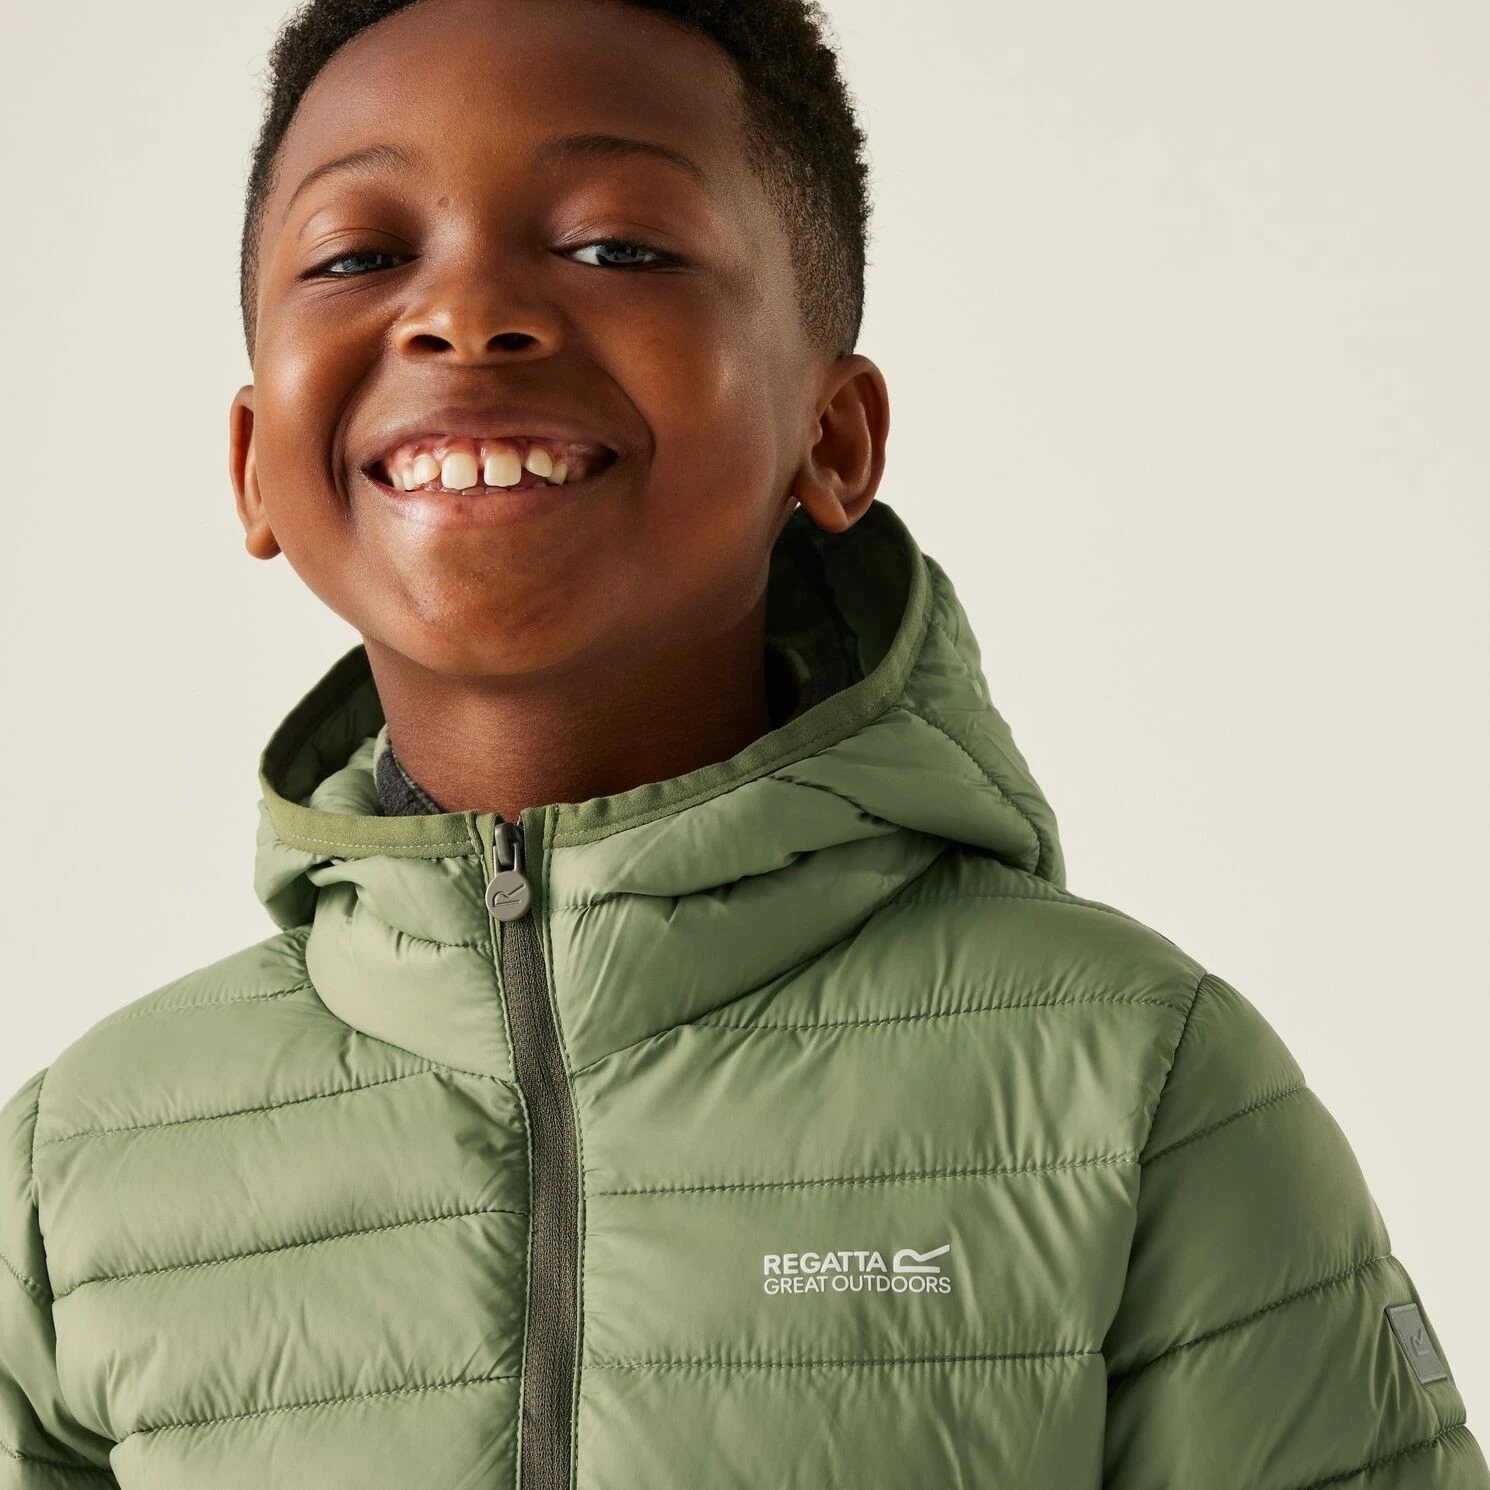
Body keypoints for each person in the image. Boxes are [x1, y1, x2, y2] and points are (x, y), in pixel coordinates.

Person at [2, 0, 1485, 1485]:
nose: (466, 313)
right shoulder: (75, 1178)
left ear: (832, 439)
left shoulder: (1134, 1080)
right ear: (255, 465)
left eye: (616, 246)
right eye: (358, 255)